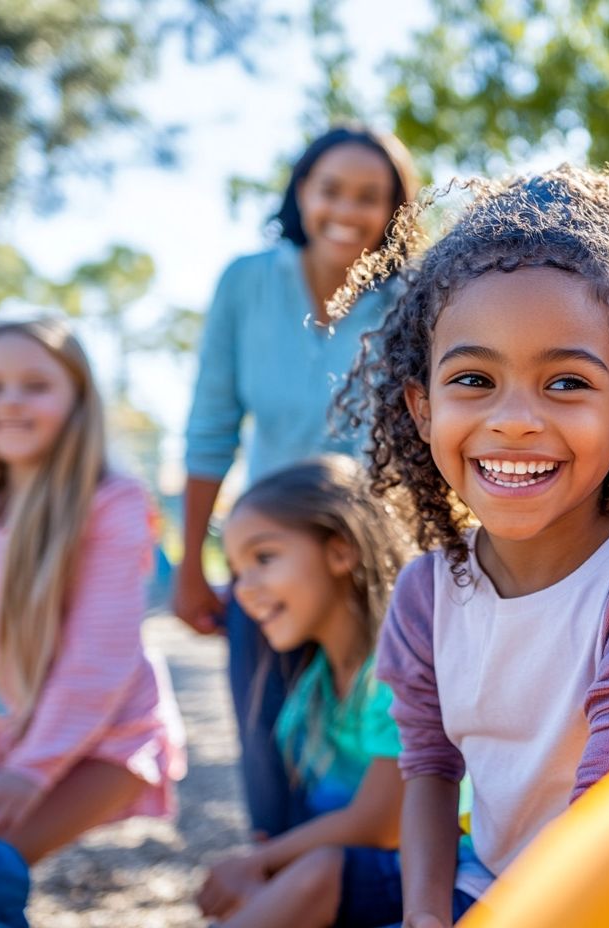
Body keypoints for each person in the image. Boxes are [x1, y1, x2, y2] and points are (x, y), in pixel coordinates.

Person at [332, 165, 609, 926]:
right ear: (421, 407)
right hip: (530, 890)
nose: (515, 420)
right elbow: (431, 771)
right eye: (474, 379)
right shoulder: (428, 595)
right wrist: (425, 918)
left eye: (568, 384)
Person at [174, 124, 419, 840]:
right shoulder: (248, 285)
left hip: (373, 563)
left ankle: (358, 874)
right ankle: (277, 871)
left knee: (377, 740)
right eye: (331, 189)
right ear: (300, 195)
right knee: (268, 751)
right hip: (271, 553)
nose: (348, 209)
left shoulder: (413, 299)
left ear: (394, 212)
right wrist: (191, 565)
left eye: (371, 196)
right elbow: (210, 428)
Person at [0, 318, 186, 868]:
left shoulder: (112, 502)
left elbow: (98, 659)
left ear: (78, 398)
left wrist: (30, 770)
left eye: (35, 385)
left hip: (110, 735)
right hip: (21, 731)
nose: (9, 401)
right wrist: (11, 752)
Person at [196, 456, 414, 928]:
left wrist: (263, 862)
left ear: (340, 551)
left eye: (264, 558)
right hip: (338, 883)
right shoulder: (312, 689)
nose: (244, 589)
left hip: (417, 878)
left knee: (315, 875)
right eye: (235, 571)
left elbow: (381, 821)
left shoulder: (395, 672)